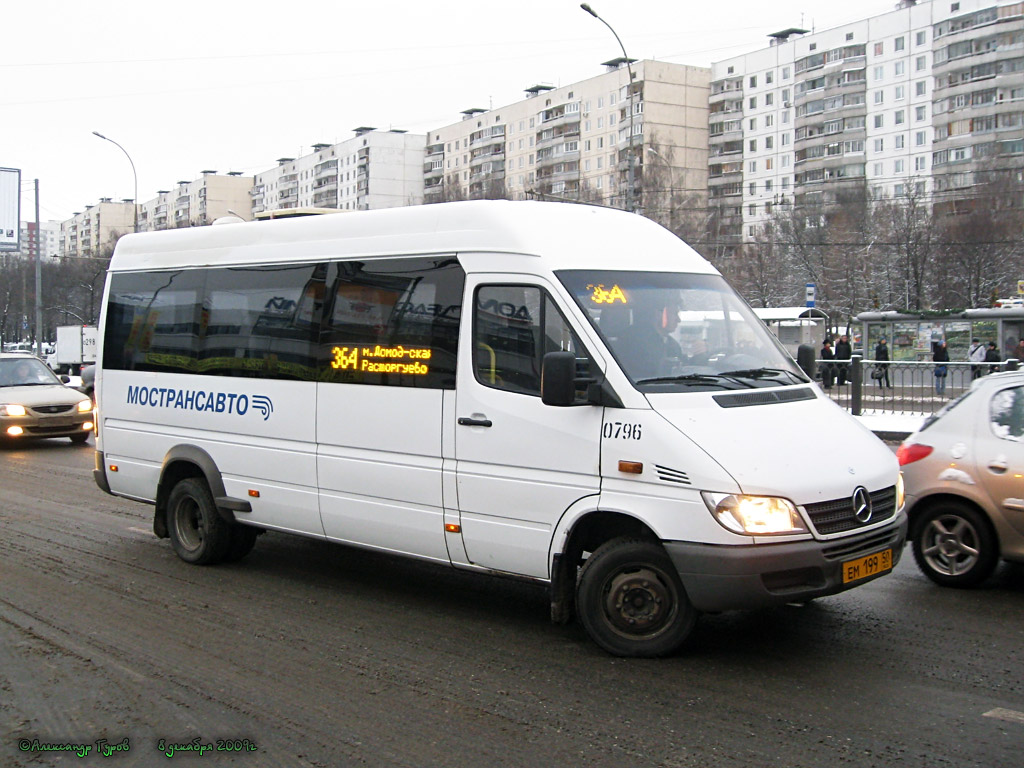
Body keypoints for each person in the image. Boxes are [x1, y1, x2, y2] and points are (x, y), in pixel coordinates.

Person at [616, 300, 683, 380]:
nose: (678, 320)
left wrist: (699, 355)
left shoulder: (674, 345)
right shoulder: (634, 341)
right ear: (658, 314)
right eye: (674, 314)